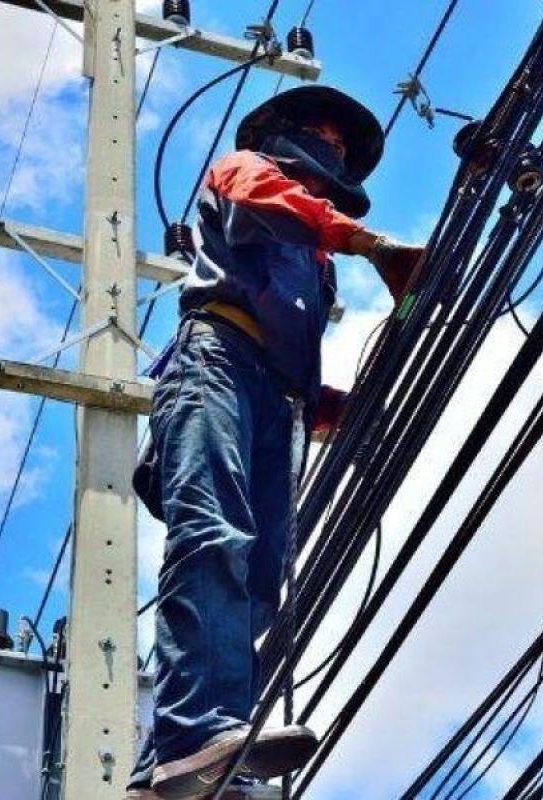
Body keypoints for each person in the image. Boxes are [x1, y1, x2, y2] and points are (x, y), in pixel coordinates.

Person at [127, 86, 424, 800]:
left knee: (259, 580)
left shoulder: (316, 264)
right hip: (215, 363)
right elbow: (265, 203)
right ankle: (198, 731)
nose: (333, 154)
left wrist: (340, 409)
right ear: (285, 137)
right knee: (213, 535)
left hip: (278, 398)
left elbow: (292, 358)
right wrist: (375, 247)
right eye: (324, 138)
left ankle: (172, 767)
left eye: (342, 150)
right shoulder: (247, 173)